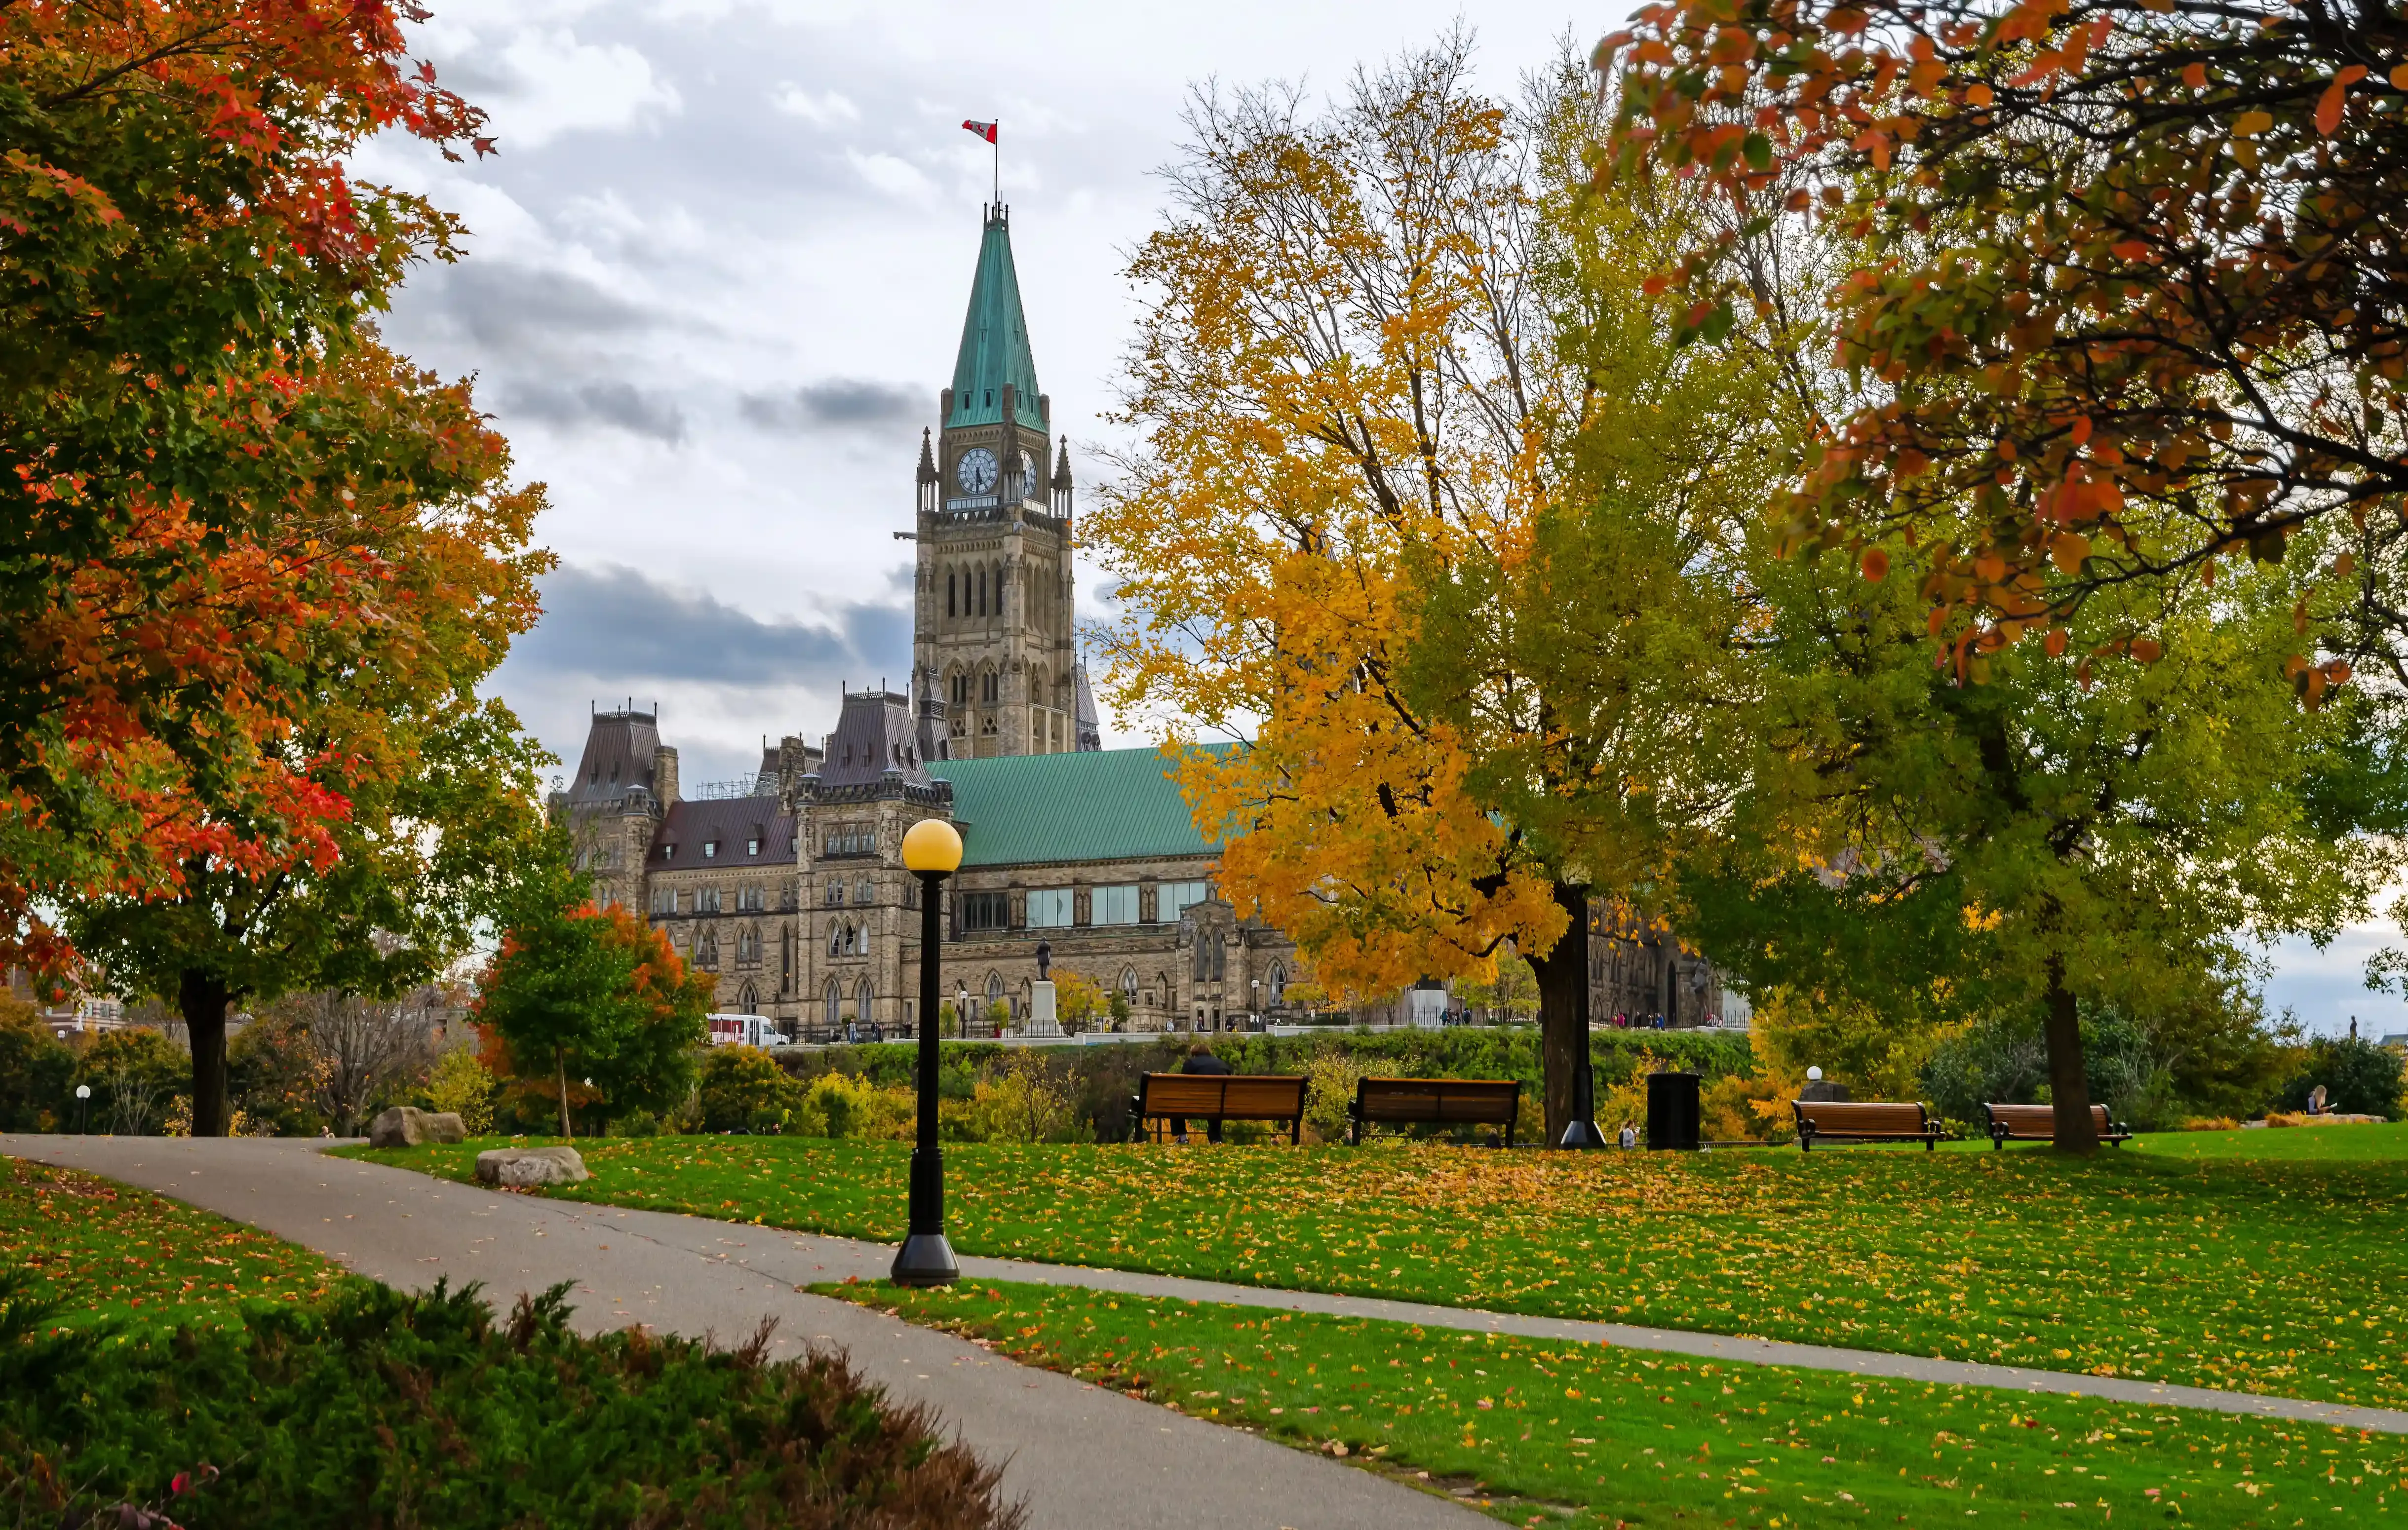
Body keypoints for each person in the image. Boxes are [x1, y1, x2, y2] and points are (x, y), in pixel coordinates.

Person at [1175, 1044, 1232, 1145]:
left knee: (1175, 1103)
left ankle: (1183, 1138)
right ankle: (1216, 1139)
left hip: (1196, 1103)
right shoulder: (1222, 1064)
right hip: (1220, 1104)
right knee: (1215, 1101)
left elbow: (1183, 1084)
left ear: (1194, 1054)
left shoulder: (1191, 1063)